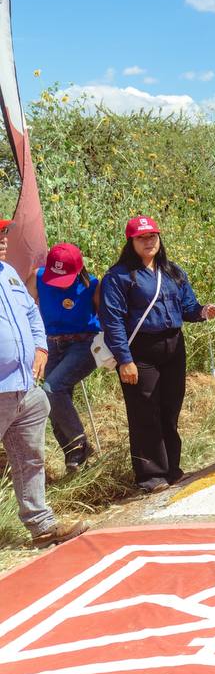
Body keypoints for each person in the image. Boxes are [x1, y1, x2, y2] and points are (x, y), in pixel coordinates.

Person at [99, 215, 215, 492]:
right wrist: (124, 360)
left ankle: (172, 469)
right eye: (142, 237)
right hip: (139, 350)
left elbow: (188, 307)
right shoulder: (118, 277)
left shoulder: (173, 272)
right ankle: (150, 476)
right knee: (144, 412)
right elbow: (112, 320)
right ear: (131, 242)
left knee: (170, 408)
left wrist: (203, 312)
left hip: (173, 346)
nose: (149, 241)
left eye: (152, 236)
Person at [0, 222, 89, 546]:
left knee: (30, 457)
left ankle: (41, 526)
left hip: (25, 388)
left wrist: (39, 346)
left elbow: (31, 315)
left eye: (3, 236)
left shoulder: (8, 273)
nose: (2, 242)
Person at [30, 242, 100, 475]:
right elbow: (27, 308)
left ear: (79, 269)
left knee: (51, 389)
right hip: (51, 344)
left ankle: (80, 441)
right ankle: (74, 456)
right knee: (53, 403)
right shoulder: (38, 277)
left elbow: (108, 317)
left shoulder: (92, 285)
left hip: (83, 344)